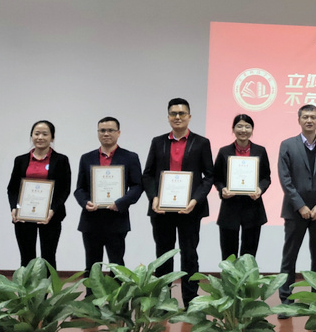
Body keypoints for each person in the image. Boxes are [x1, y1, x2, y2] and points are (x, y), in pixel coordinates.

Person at [142, 98, 213, 305]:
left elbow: (209, 176)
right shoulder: (158, 142)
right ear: (168, 117)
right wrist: (154, 197)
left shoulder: (201, 143)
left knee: (189, 255)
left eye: (182, 113)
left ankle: (190, 300)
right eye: (173, 113)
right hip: (161, 210)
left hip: (190, 209)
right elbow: (148, 174)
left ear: (189, 117)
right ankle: (163, 300)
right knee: (163, 255)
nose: (178, 117)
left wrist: (195, 200)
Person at [277, 104, 316, 309]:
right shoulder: (287, 145)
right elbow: (285, 179)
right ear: (299, 120)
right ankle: (286, 300)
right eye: (305, 117)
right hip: (295, 211)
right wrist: (301, 206)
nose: (309, 120)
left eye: (313, 117)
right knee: (289, 257)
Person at [73, 117, 143, 275]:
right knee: (92, 265)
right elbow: (79, 189)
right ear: (98, 133)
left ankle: (118, 293)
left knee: (117, 264)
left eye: (110, 130)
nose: (106, 134)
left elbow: (137, 186)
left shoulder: (130, 157)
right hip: (91, 219)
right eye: (102, 130)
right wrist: (85, 202)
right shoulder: (86, 158)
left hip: (116, 218)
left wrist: (121, 202)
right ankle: (91, 292)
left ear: (118, 133)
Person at [7, 120, 71, 269]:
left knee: (48, 257)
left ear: (52, 137)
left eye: (44, 134)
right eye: (36, 134)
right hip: (24, 216)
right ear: (31, 136)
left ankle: (47, 286)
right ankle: (28, 285)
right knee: (26, 257)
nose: (40, 137)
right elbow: (13, 188)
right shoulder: (20, 160)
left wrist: (52, 210)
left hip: (50, 216)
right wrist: (14, 208)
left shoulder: (61, 160)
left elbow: (64, 189)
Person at [213, 114, 271, 259]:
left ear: (252, 130)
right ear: (233, 129)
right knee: (228, 254)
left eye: (247, 126)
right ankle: (229, 275)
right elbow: (217, 177)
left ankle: (247, 275)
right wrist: (222, 189)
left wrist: (260, 189)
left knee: (249, 254)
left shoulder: (260, 151)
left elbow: (266, 177)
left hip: (253, 207)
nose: (243, 130)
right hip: (230, 207)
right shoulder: (224, 151)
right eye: (239, 126)